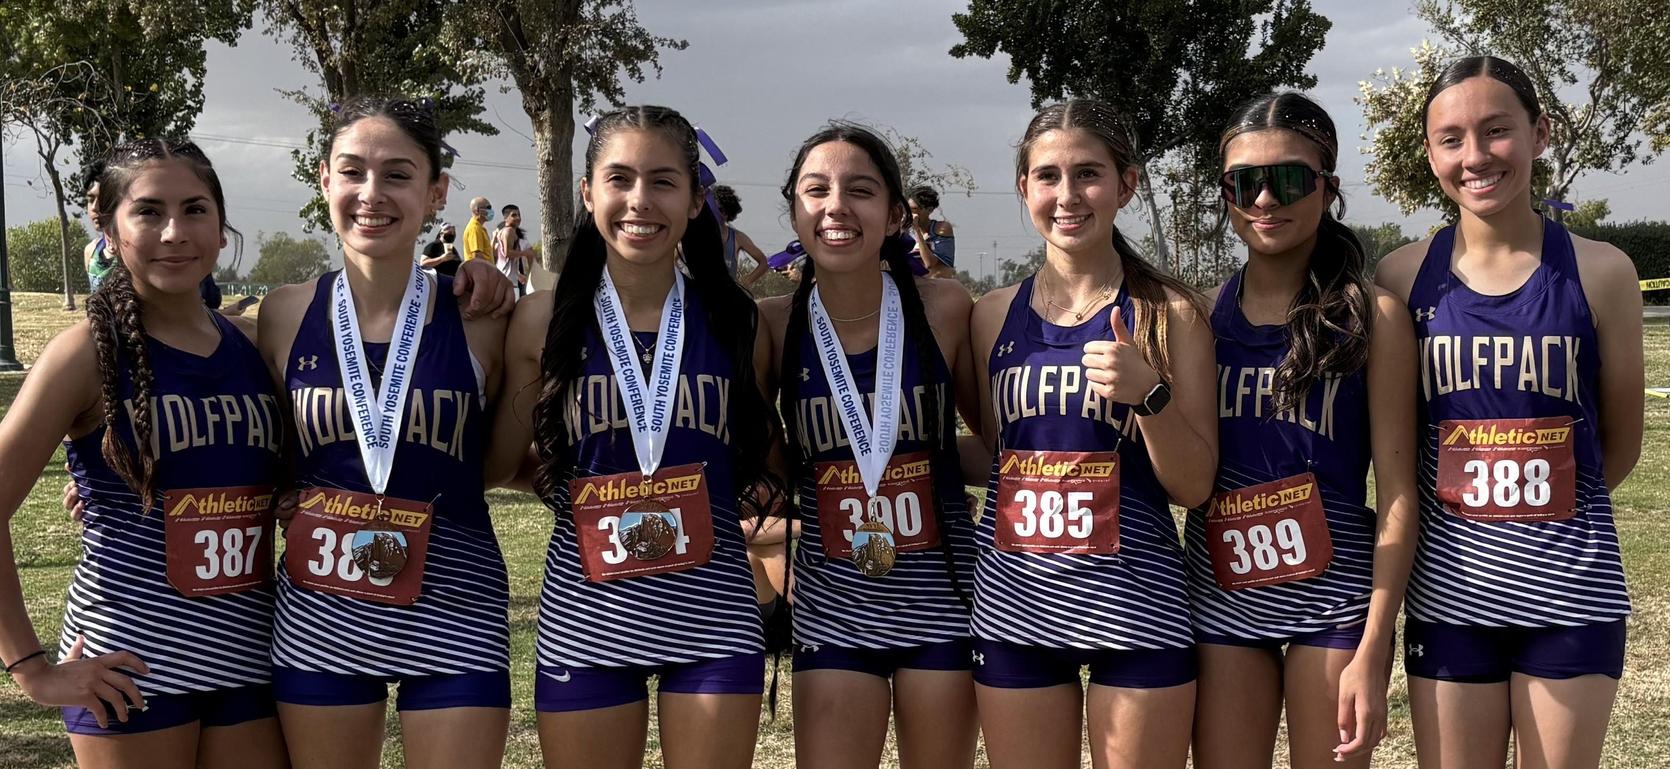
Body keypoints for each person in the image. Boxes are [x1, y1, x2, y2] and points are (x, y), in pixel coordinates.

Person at [484, 105, 785, 769]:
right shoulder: (543, 318)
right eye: (619, 179)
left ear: (696, 199)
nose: (639, 201)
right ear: (588, 192)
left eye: (663, 181)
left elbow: (765, 465)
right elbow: (500, 464)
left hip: (713, 618)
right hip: (585, 619)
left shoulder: (739, 323)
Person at [1373, 55, 1643, 769]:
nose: (1476, 155)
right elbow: (1397, 456)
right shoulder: (1400, 278)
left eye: (1497, 130)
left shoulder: (1603, 272)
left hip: (1574, 594)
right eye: (1452, 138)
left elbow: (1619, 446)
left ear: (1540, 133)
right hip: (1450, 599)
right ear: (1430, 152)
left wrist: (1538, 523)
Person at [0, 139, 288, 768]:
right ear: (108, 227)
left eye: (195, 209)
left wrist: (464, 279)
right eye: (149, 212)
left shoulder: (254, 343)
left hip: (251, 660)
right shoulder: (84, 354)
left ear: (220, 223)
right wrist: (31, 670)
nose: (175, 232)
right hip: (129, 668)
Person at [256, 97, 513, 769]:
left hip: (455, 606)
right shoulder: (282, 313)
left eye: (398, 174)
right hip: (321, 612)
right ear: (324, 181)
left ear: (435, 193)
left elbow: (514, 449)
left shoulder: (483, 313)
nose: (372, 193)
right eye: (353, 172)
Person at [966, 99, 1218, 769]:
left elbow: (1194, 485)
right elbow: (1003, 452)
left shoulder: (1171, 314)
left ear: (1126, 184)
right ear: (1025, 188)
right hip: (1016, 609)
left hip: (1137, 607)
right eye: (1047, 176)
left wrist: (1150, 394)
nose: (1067, 194)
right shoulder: (991, 314)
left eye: (1088, 173)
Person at [1185, 91, 1419, 769]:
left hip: (1335, 602)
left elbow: (1399, 492)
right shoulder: (1198, 318)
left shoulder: (1375, 318)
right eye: (1243, 181)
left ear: (1327, 188)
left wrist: (1375, 646)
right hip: (1221, 596)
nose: (1264, 199)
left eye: (1288, 179)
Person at [760, 122, 980, 769]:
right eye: (816, 189)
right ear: (796, 210)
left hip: (944, 600)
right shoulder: (775, 325)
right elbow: (768, 466)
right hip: (835, 612)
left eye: (860, 190)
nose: (837, 206)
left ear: (893, 216)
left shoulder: (944, 307)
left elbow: (991, 446)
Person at [711, 185, 772, 287]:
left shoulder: (737, 238)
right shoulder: (695, 235)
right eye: (711, 209)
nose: (713, 213)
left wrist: (746, 282)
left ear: (727, 213)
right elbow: (675, 257)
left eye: (719, 210)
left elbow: (763, 262)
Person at [907, 186, 955, 279]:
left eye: (915, 209)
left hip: (937, 286)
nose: (911, 214)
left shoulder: (941, 229)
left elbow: (929, 263)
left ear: (930, 210)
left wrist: (917, 230)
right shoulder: (907, 233)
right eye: (909, 209)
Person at [81, 171, 115, 292]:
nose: (95, 207)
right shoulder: (91, 251)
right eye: (90, 200)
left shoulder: (136, 252)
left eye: (102, 199)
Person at [493, 204, 534, 298]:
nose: (518, 218)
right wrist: (525, 253)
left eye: (519, 215)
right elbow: (508, 253)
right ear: (506, 218)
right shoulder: (509, 231)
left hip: (507, 280)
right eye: (514, 215)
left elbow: (499, 255)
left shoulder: (503, 232)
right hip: (508, 282)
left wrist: (518, 274)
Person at [464, 196, 494, 264]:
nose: (490, 210)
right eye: (488, 208)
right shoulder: (475, 228)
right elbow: (477, 255)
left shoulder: (480, 228)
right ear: (477, 210)